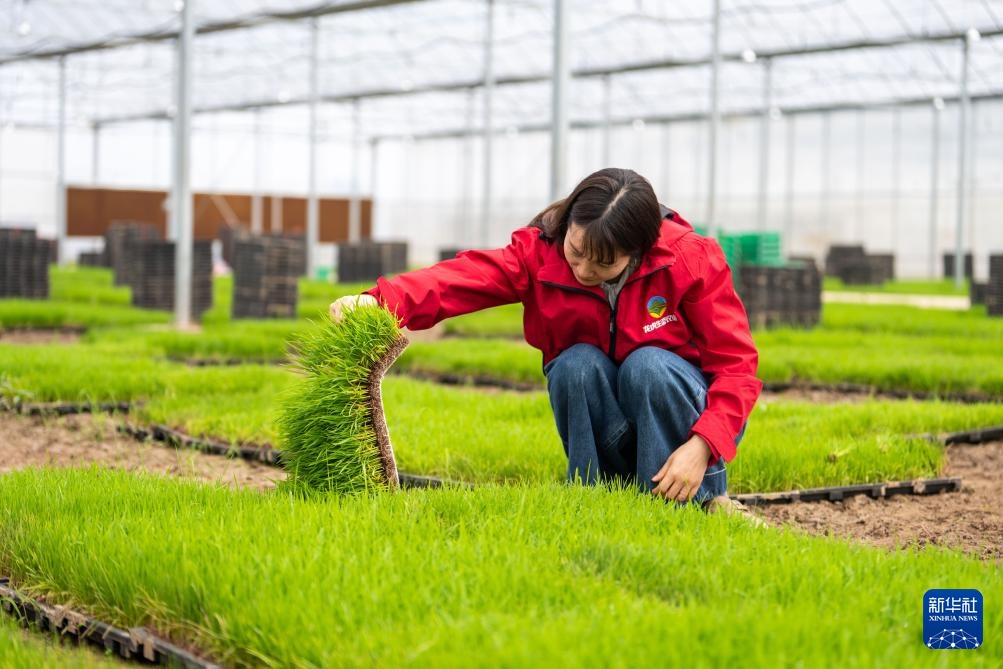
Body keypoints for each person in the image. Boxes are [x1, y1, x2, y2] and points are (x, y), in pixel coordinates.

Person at [330, 168, 762, 513]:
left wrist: (702, 446)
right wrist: (380, 301)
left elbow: (737, 366)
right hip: (607, 411)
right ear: (569, 222)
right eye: (576, 251)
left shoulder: (688, 259)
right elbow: (462, 279)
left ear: (640, 250)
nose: (583, 271)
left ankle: (698, 501)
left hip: (680, 418)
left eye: (603, 263)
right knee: (575, 364)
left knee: (649, 365)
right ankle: (595, 497)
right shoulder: (538, 253)